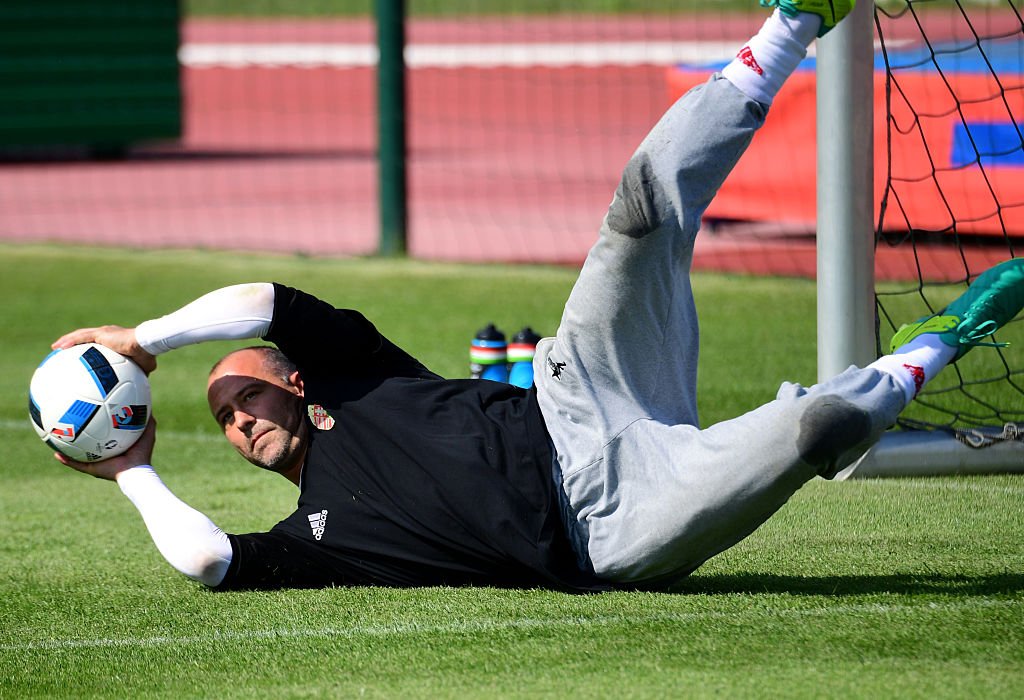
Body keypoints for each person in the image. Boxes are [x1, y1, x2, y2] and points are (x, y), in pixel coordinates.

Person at [52, 0, 1024, 592]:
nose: (237, 419)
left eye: (246, 394)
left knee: (641, 204)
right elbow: (206, 562)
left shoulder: (361, 377)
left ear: (298, 382)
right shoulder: (316, 538)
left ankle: (791, 21)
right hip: (612, 529)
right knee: (816, 429)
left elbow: (263, 298)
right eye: (221, 419)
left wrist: (146, 338)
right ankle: (946, 332)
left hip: (576, 393)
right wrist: (129, 465)